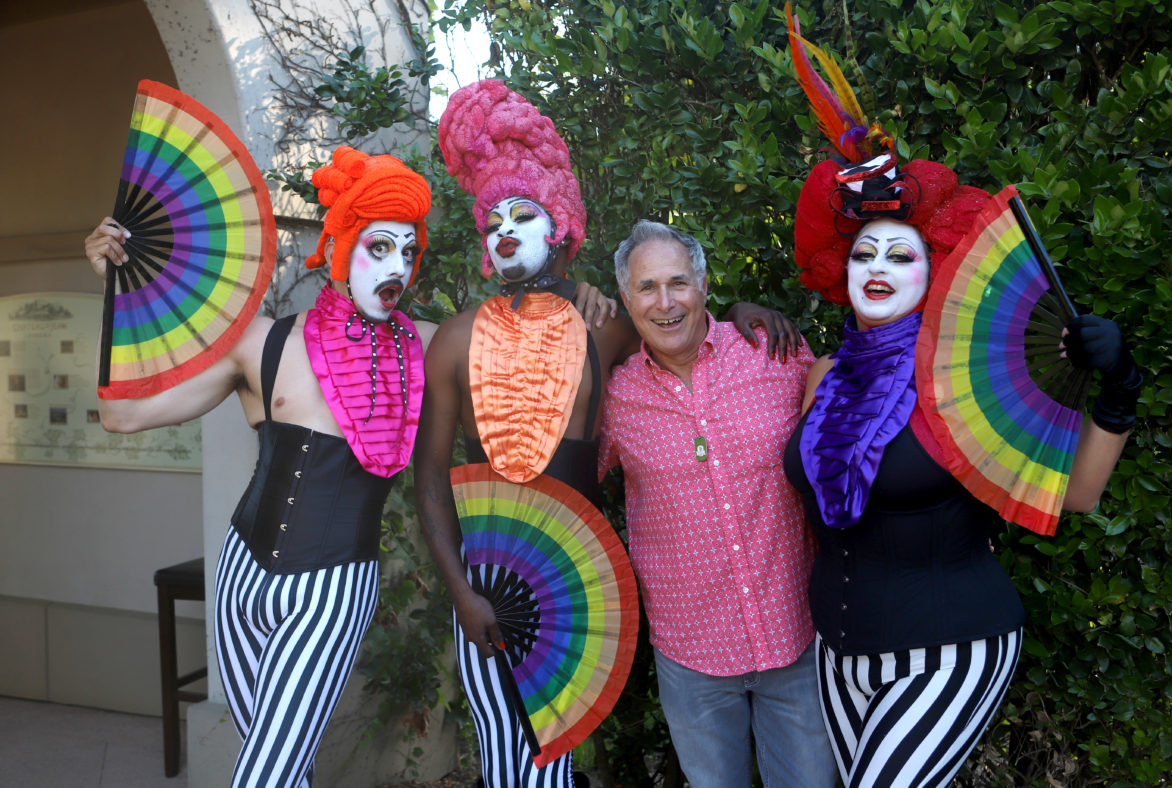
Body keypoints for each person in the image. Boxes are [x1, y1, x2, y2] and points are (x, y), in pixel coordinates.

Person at [416, 80, 794, 788]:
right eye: (493, 218)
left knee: (559, 760)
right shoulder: (455, 341)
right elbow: (430, 476)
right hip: (487, 584)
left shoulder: (605, 327)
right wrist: (461, 591)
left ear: (560, 226)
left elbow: (679, 322)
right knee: (505, 758)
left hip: (573, 584)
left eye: (523, 213)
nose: (505, 230)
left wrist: (743, 307)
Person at [781, 56, 1140, 785]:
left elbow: (1077, 494)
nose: (878, 267)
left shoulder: (966, 383)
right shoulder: (824, 376)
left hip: (949, 647)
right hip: (839, 653)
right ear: (841, 271)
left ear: (934, 271)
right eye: (864, 254)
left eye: (900, 255)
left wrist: (1120, 390)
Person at [85, 146, 438, 788]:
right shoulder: (263, 342)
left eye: (408, 252)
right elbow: (120, 416)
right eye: (380, 247)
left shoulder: (427, 349)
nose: (397, 267)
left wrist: (575, 295)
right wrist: (116, 287)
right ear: (341, 247)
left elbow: (510, 343)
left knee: (264, 775)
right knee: (282, 767)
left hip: (331, 590)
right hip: (241, 576)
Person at [597, 219, 838, 788]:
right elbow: (566, 480)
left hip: (796, 639)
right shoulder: (614, 398)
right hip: (691, 655)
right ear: (627, 301)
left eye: (678, 283)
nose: (665, 302)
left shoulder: (775, 355)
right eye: (647, 288)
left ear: (704, 285)